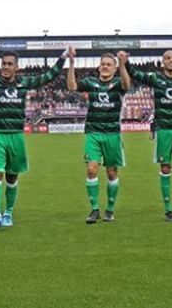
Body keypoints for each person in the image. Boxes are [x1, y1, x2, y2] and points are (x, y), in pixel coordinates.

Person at [0, 32, 68, 228]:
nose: (5, 67)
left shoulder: (24, 83)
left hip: (17, 137)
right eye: (3, 63)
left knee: (12, 177)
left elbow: (49, 76)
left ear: (16, 67)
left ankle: (8, 213)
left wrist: (63, 57)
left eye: (9, 64)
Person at [120, 49, 172, 221]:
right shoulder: (156, 78)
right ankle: (168, 209)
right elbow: (135, 74)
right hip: (163, 129)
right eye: (167, 58)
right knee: (165, 168)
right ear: (162, 62)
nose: (171, 60)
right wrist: (126, 61)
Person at [67, 51, 130, 224]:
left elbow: (126, 84)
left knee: (111, 172)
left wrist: (123, 65)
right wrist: (72, 64)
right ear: (98, 66)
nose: (105, 66)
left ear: (115, 68)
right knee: (91, 169)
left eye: (109, 64)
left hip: (112, 134)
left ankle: (109, 209)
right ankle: (94, 209)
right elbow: (72, 86)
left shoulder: (118, 83)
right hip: (93, 132)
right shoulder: (91, 83)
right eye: (103, 63)